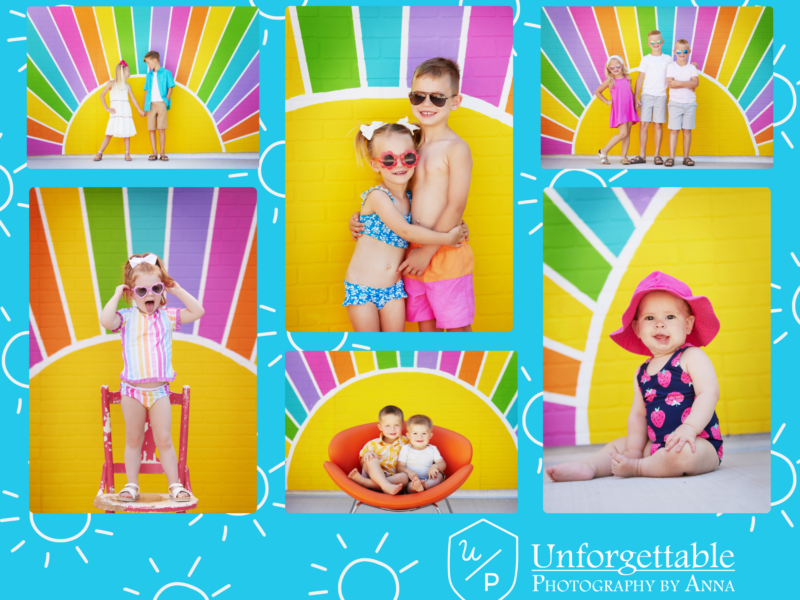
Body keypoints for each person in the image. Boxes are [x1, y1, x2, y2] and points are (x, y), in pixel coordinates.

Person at [546, 271, 724, 482]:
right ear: (637, 328)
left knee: (682, 455)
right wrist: (633, 450)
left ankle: (638, 468)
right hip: (656, 446)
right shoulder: (642, 372)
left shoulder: (691, 356)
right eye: (650, 318)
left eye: (670, 317)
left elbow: (708, 393)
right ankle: (589, 466)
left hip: (697, 442)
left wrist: (689, 428)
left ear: (688, 324)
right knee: (619, 446)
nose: (660, 324)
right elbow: (639, 415)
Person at [351, 58, 476, 332]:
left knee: (457, 331)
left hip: (442, 252)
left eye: (437, 98)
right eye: (418, 96)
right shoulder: (410, 146)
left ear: (455, 102)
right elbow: (397, 194)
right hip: (412, 251)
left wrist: (427, 253)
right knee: (425, 330)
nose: (426, 104)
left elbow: (455, 205)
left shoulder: (456, 148)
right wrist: (362, 218)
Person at [99, 253, 205, 501]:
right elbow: (105, 320)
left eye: (156, 289)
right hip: (131, 391)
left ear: (161, 290)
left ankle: (175, 485)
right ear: (132, 293)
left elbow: (198, 311)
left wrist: (176, 288)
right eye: (141, 290)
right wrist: (116, 295)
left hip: (159, 392)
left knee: (164, 439)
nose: (150, 295)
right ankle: (131, 485)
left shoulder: (167, 316)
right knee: (134, 438)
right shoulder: (125, 317)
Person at [345, 120, 464, 332]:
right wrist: (448, 238)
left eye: (407, 157)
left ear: (416, 159)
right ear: (375, 164)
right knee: (371, 345)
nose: (399, 165)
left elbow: (428, 218)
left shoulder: (411, 198)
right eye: (389, 159)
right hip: (362, 289)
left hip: (393, 290)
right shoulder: (378, 197)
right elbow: (405, 231)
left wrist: (457, 224)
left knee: (394, 345)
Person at [348, 405, 410, 495]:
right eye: (387, 425)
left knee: (404, 477)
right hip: (374, 477)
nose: (392, 429)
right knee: (371, 458)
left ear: (403, 426)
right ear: (380, 427)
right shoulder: (372, 444)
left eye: (396, 425)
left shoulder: (407, 442)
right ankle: (385, 485)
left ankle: (365, 482)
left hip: (396, 484)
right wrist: (367, 454)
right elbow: (363, 464)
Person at [631, 31, 672, 165]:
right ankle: (642, 155)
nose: (656, 44)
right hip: (646, 95)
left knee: (657, 125)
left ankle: (657, 155)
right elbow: (639, 79)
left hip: (661, 96)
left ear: (662, 42)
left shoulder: (668, 59)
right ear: (649, 44)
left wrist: (692, 66)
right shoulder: (646, 59)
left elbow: (676, 71)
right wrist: (636, 98)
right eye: (653, 42)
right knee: (643, 124)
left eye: (658, 41)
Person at [93, 60, 145, 162]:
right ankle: (99, 153)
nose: (129, 73)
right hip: (116, 113)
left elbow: (133, 99)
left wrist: (139, 110)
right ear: (122, 72)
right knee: (109, 133)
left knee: (127, 133)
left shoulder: (127, 86)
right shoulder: (111, 83)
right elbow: (102, 95)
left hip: (125, 112)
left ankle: (127, 153)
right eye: (128, 71)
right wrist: (107, 108)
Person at [596, 55, 640, 165]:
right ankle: (603, 151)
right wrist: (607, 101)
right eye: (612, 67)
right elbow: (597, 92)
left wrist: (635, 102)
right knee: (623, 133)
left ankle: (624, 157)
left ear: (622, 66)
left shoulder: (628, 78)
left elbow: (630, 93)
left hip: (629, 109)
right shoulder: (610, 81)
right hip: (619, 110)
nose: (615, 69)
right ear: (608, 69)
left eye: (617, 66)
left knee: (627, 133)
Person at [665, 39, 700, 167]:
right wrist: (688, 84)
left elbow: (696, 83)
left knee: (687, 130)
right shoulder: (671, 67)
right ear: (674, 52)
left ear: (689, 52)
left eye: (684, 51)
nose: (682, 53)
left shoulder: (692, 67)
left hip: (690, 103)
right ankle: (671, 158)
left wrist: (678, 83)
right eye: (679, 51)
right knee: (674, 130)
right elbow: (670, 84)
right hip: (675, 103)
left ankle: (686, 157)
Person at [397, 414, 446, 493]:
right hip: (412, 479)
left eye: (424, 433)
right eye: (415, 433)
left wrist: (435, 466)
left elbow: (442, 464)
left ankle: (426, 485)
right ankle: (416, 487)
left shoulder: (432, 449)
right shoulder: (405, 449)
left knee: (439, 475)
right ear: (408, 435)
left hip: (429, 478)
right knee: (409, 485)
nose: (419, 436)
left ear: (430, 435)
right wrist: (408, 471)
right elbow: (399, 467)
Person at [142, 51, 175, 162]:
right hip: (150, 104)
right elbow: (146, 90)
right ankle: (154, 152)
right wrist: (145, 106)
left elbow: (170, 87)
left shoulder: (167, 73)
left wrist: (166, 101)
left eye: (148, 62)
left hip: (161, 104)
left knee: (161, 129)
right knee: (151, 129)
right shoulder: (149, 75)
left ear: (155, 60)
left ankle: (162, 152)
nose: (148, 65)